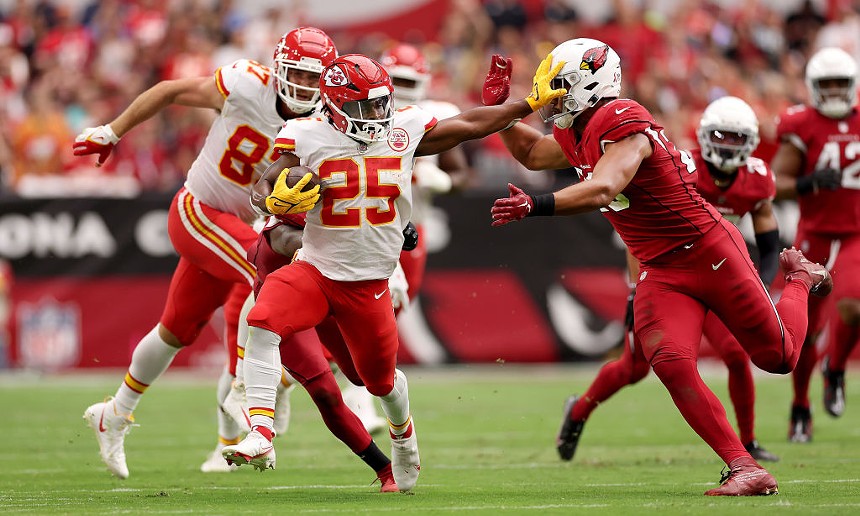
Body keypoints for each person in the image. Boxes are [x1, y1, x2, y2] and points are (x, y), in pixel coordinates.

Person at [485, 38, 831, 496]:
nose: (555, 100)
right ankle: (743, 466)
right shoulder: (577, 131)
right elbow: (531, 154)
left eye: (563, 88)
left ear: (593, 84)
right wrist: (501, 113)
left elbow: (604, 188)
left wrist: (537, 204)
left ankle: (802, 278)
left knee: (779, 358)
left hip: (708, 251)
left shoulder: (620, 118)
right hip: (660, 268)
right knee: (668, 362)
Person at [220, 53, 561, 493]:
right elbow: (264, 186)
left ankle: (403, 437)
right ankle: (262, 433)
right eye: (365, 106)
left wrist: (527, 104)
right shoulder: (305, 134)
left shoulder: (404, 129)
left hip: (370, 284)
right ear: (335, 105)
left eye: (382, 104)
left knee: (376, 382)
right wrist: (271, 202)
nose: (377, 115)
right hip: (318, 270)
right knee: (263, 321)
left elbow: (473, 124)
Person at [75, 27, 338, 479]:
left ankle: (114, 412)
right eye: (296, 74)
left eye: (314, 78)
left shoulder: (325, 122)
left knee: (174, 331)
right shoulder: (245, 82)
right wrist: (112, 131)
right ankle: (247, 388)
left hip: (236, 226)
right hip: (200, 210)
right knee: (269, 272)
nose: (304, 87)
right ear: (278, 67)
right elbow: (170, 89)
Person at [547, 96, 782, 464]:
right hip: (668, 274)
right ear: (704, 136)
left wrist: (761, 285)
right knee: (635, 366)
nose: (727, 146)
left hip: (718, 272)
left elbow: (769, 244)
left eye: (737, 139)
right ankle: (578, 411)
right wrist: (633, 289)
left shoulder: (757, 179)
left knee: (737, 354)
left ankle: (748, 443)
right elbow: (640, 234)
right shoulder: (678, 166)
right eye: (722, 136)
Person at [771, 46, 860, 443]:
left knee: (855, 306)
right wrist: (807, 183)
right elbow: (776, 183)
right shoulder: (800, 124)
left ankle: (836, 368)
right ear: (813, 87)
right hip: (817, 234)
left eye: (843, 83)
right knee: (806, 331)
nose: (837, 91)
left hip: (857, 232)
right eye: (829, 84)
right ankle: (801, 406)